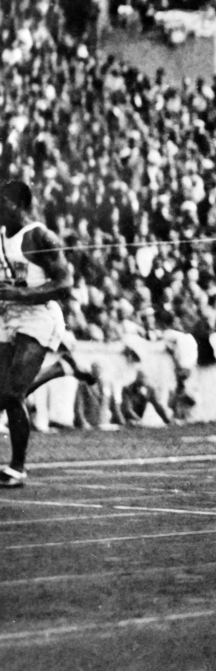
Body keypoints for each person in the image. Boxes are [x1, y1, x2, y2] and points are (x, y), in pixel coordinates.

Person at [0, 181, 74, 488]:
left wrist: (18, 296)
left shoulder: (41, 236)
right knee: (3, 392)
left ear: (18, 205)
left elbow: (64, 284)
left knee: (12, 393)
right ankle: (60, 369)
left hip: (39, 316)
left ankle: (17, 467)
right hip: (7, 316)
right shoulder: (2, 235)